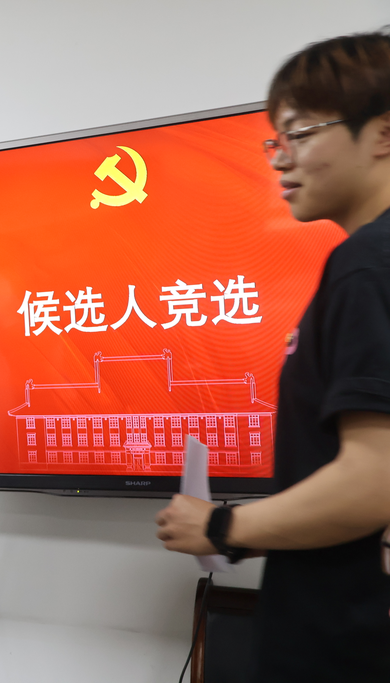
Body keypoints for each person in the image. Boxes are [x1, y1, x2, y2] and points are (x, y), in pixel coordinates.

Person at [155, 30, 390, 681]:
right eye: (274, 140)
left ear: (382, 133)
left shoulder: (367, 264)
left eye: (302, 133)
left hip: (346, 643)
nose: (281, 159)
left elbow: (375, 477)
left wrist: (223, 528)